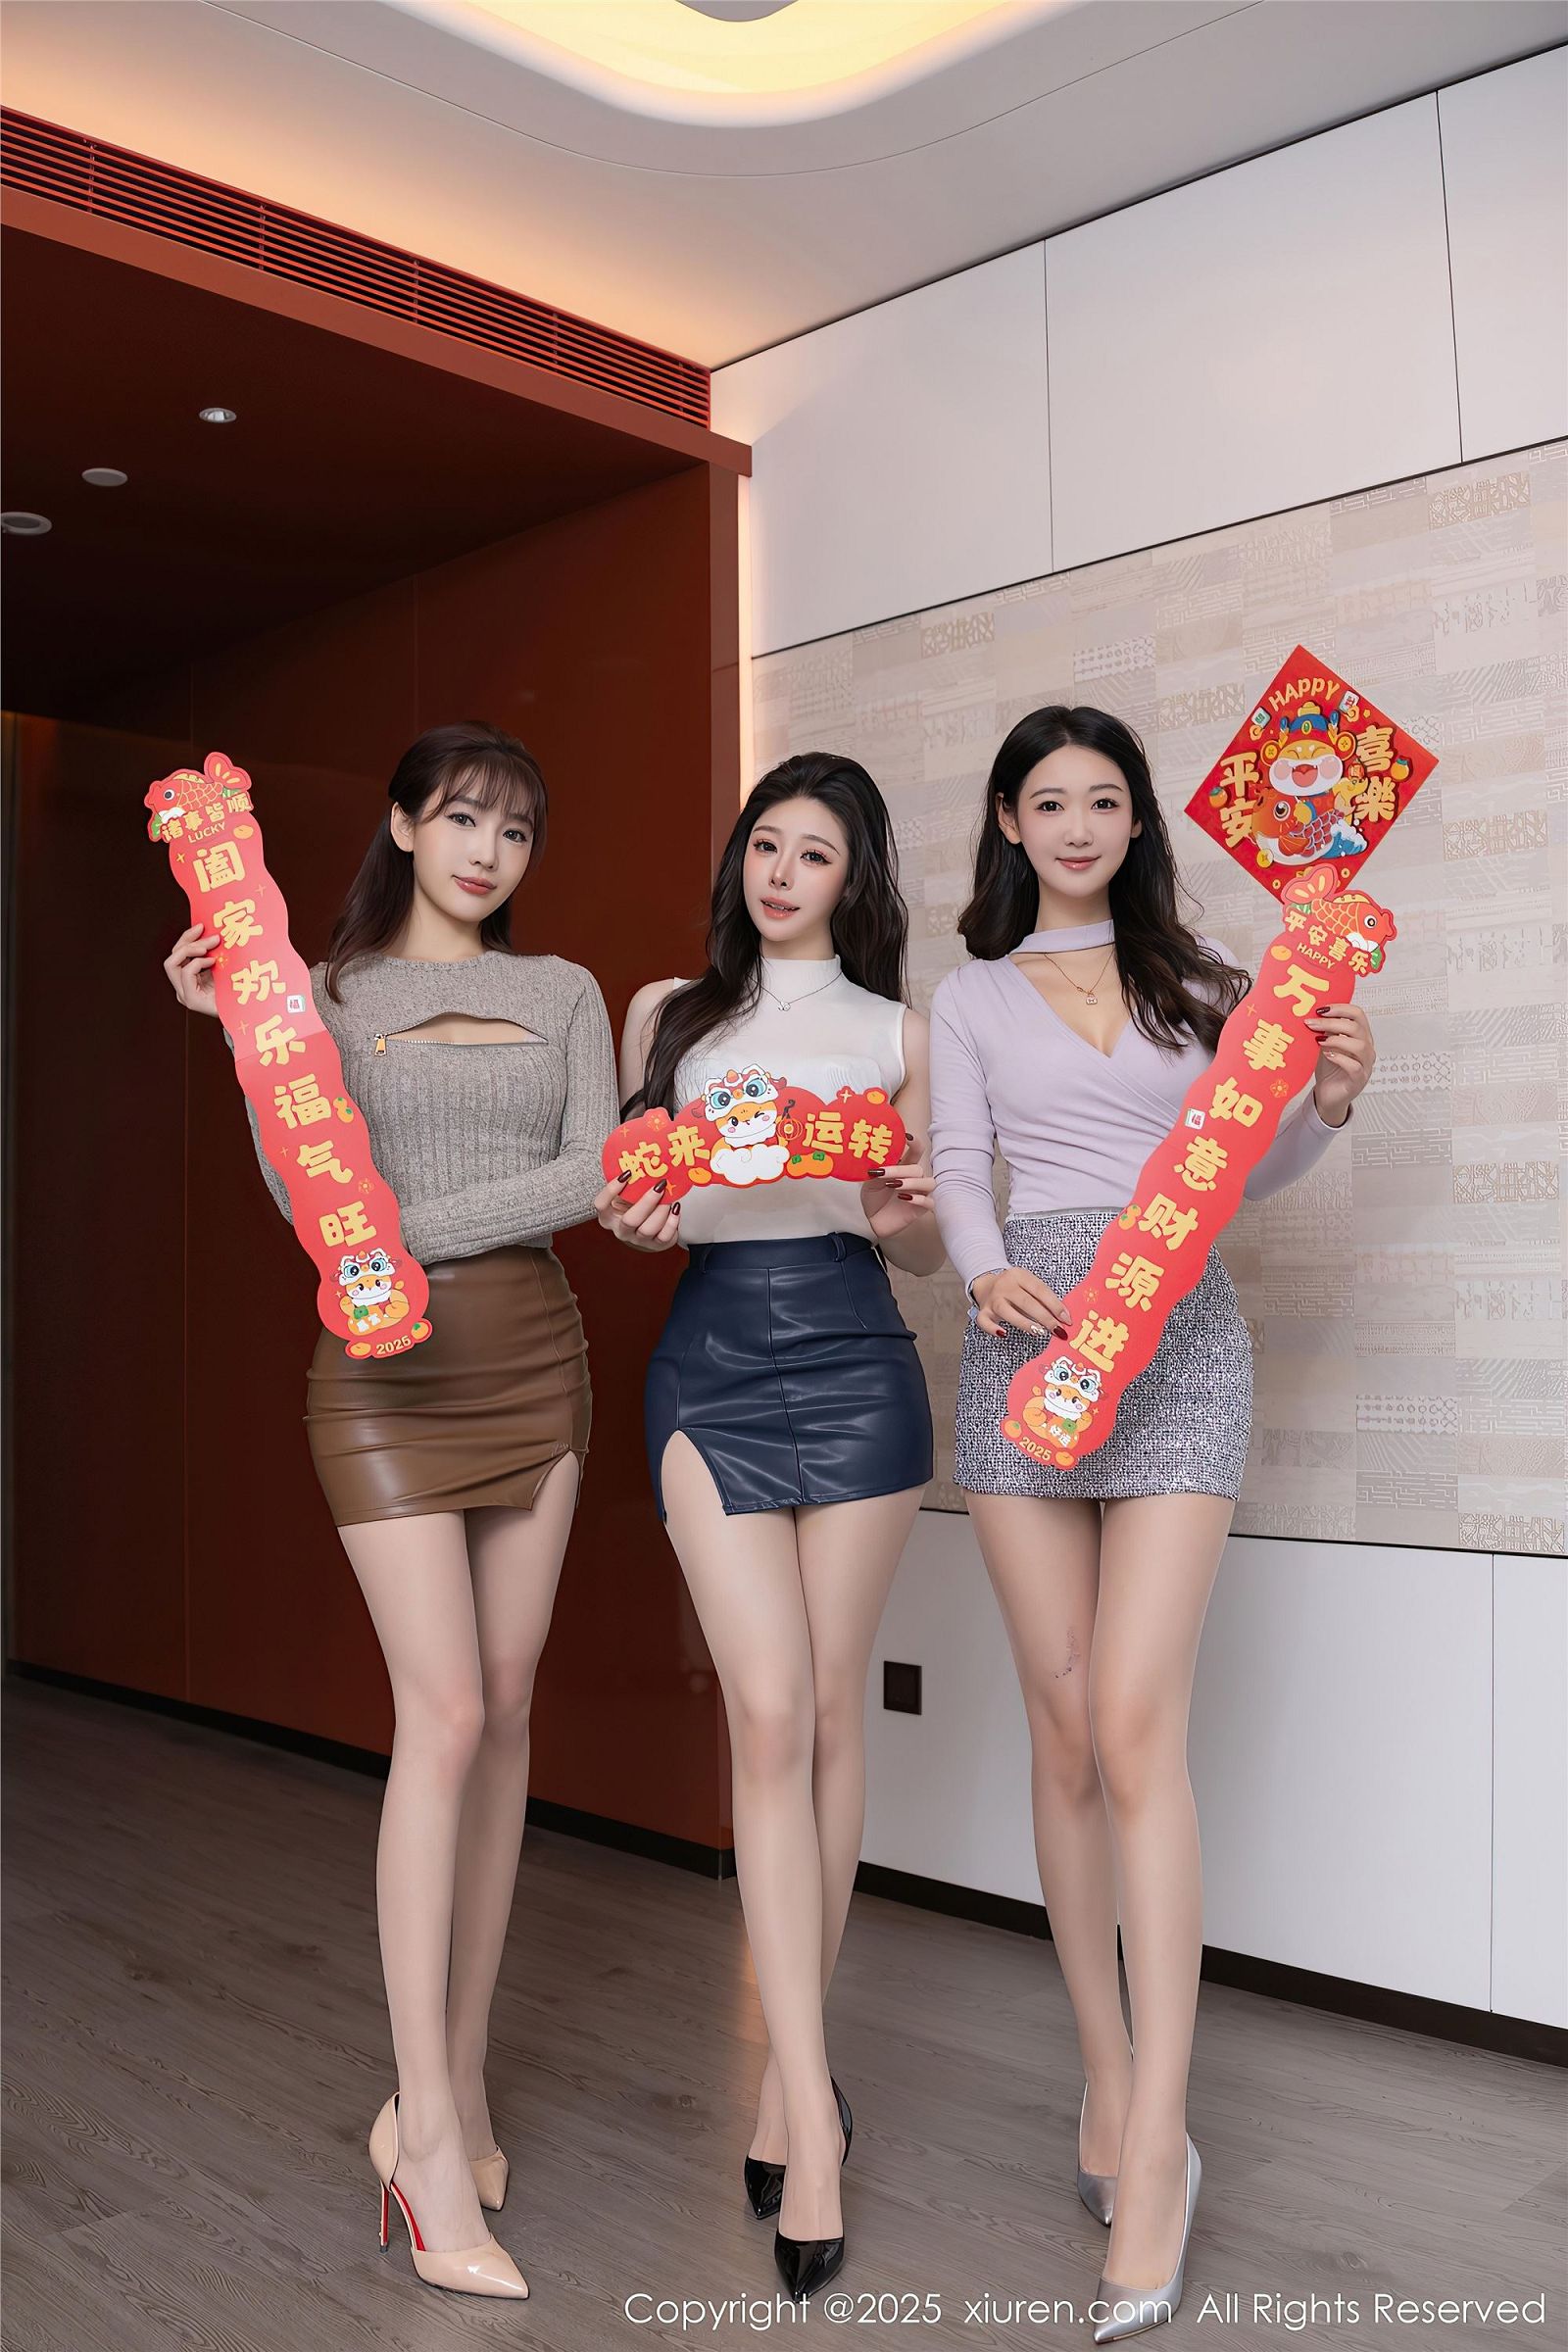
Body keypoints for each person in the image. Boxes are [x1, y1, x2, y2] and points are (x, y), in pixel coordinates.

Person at [928, 705, 1375, 2343]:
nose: (1076, 824)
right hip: (1028, 1342)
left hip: (1178, 1336)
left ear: (1136, 823)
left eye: (1104, 800)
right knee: (1062, 1734)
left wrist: (1327, 1102)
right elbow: (956, 1162)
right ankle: (1112, 2085)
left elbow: (1240, 1174)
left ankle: (1166, 2144)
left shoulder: (1209, 984)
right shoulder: (970, 994)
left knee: (1134, 1727)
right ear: (1008, 820)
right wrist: (983, 1269)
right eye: (1048, 800)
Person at [164, 719, 617, 2302]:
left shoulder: (566, 994)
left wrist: (402, 1226)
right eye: (465, 819)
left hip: (536, 1366)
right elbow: (307, 1200)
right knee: (442, 1711)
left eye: (517, 829)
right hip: (379, 1380)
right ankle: (424, 2138)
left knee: (507, 1710)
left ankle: (458, 2090)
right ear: (406, 825)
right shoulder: (325, 996)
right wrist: (245, 1037)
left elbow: (594, 1176)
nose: (489, 851)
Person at [595, 751, 944, 2298]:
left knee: (829, 1713)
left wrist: (906, 1212)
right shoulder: (666, 1013)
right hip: (712, 1363)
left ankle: (789, 2102)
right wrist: (632, 1216)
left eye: (816, 852)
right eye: (766, 844)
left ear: (856, 881)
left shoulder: (899, 1032)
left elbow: (923, 1250)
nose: (783, 871)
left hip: (860, 1359)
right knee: (769, 1711)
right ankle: (813, 2109)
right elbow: (639, 1198)